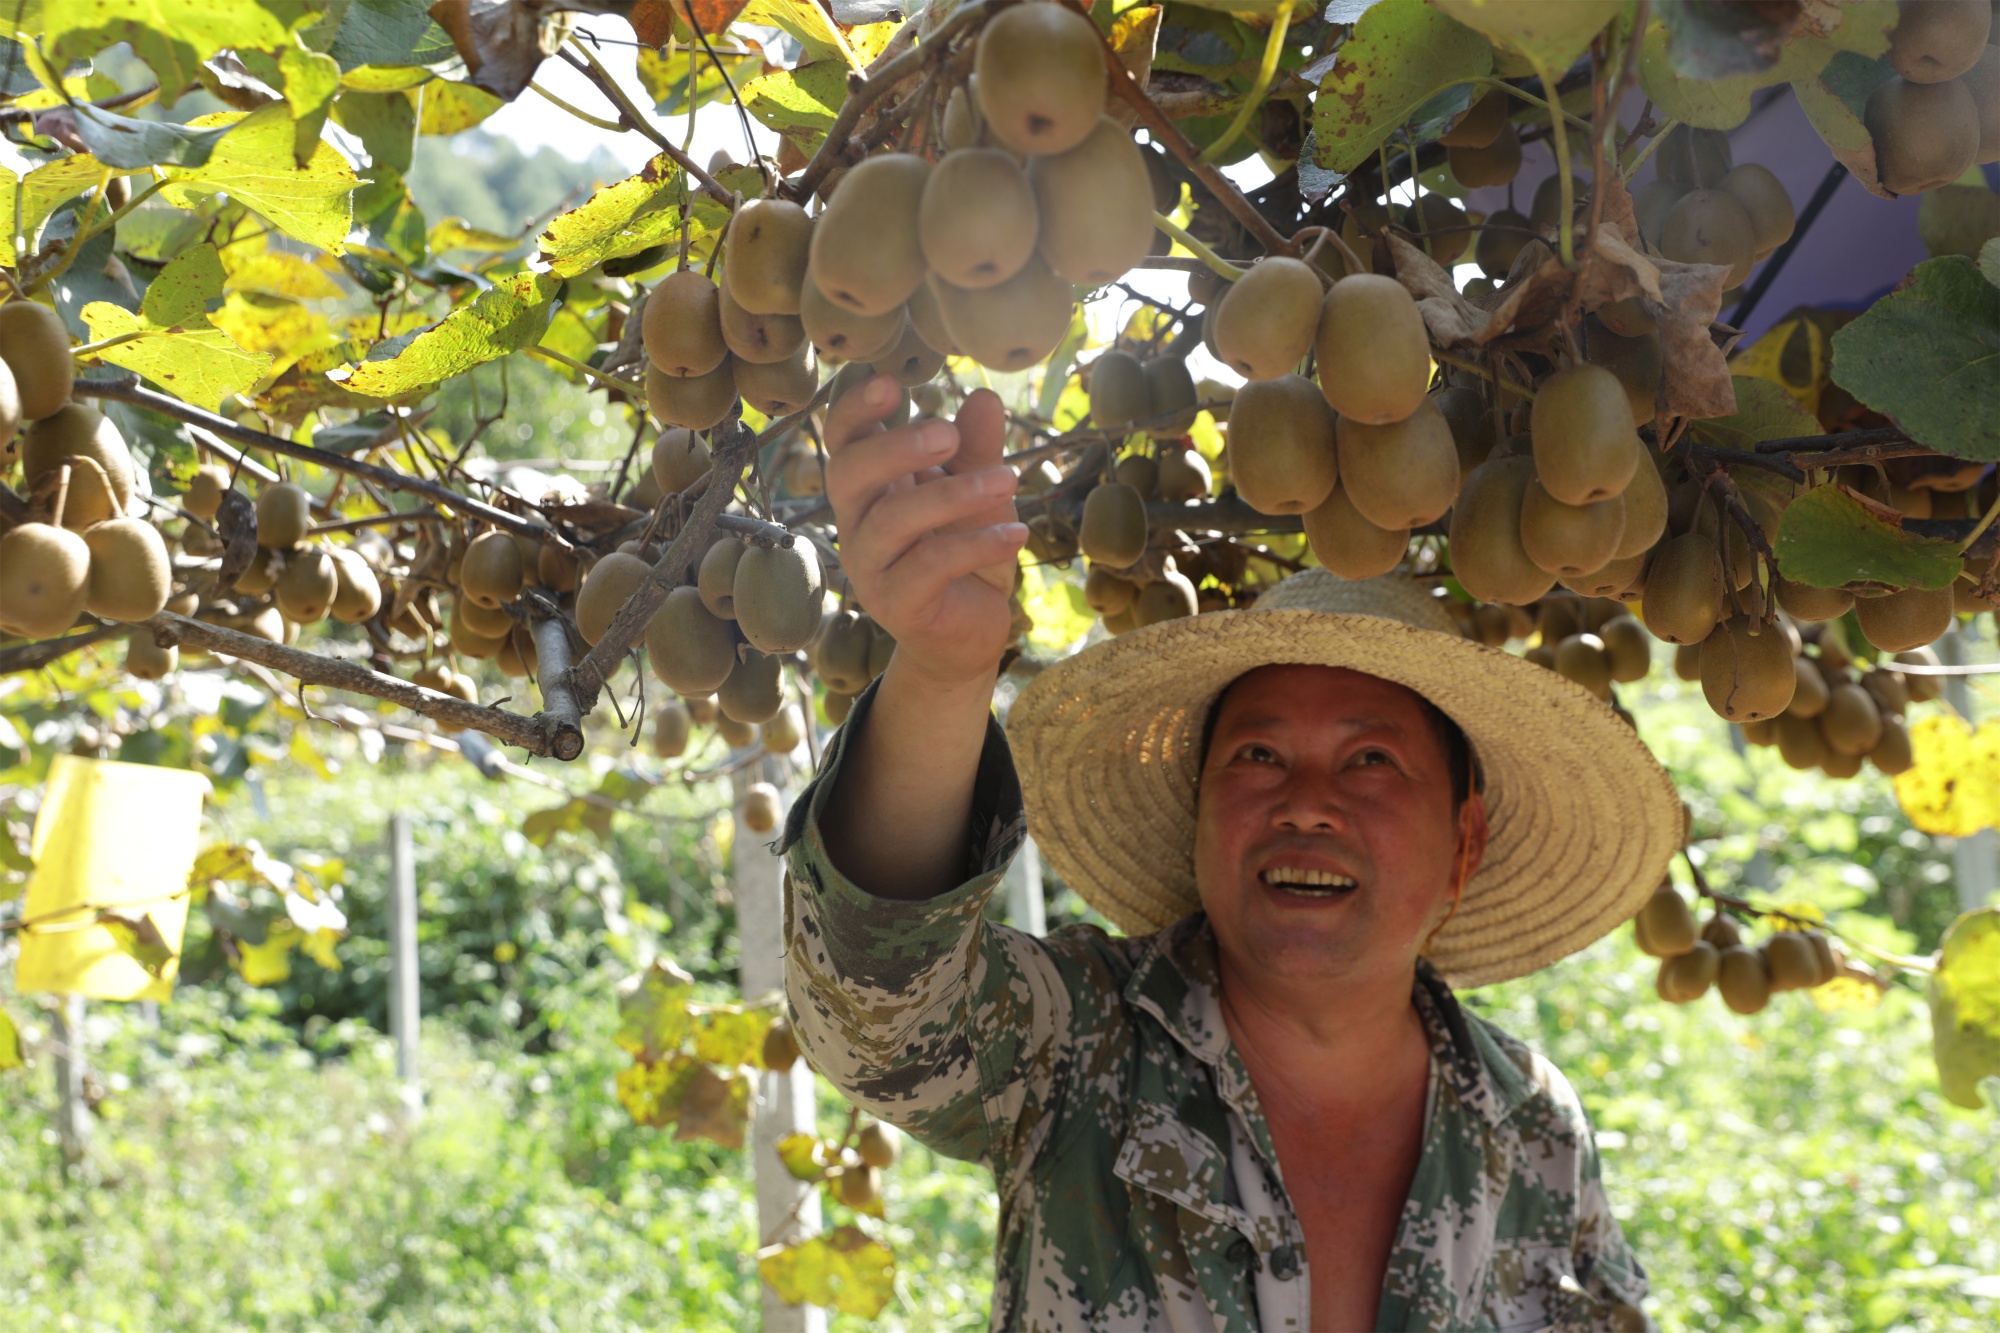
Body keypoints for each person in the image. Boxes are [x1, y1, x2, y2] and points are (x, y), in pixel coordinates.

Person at [778, 376, 1678, 1331]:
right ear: (1201, 813)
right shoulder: (1084, 1044)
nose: (1308, 804)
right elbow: (876, 1014)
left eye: (1371, 760)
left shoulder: (1535, 1129)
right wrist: (943, 674)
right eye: (1258, 755)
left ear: (1465, 843)